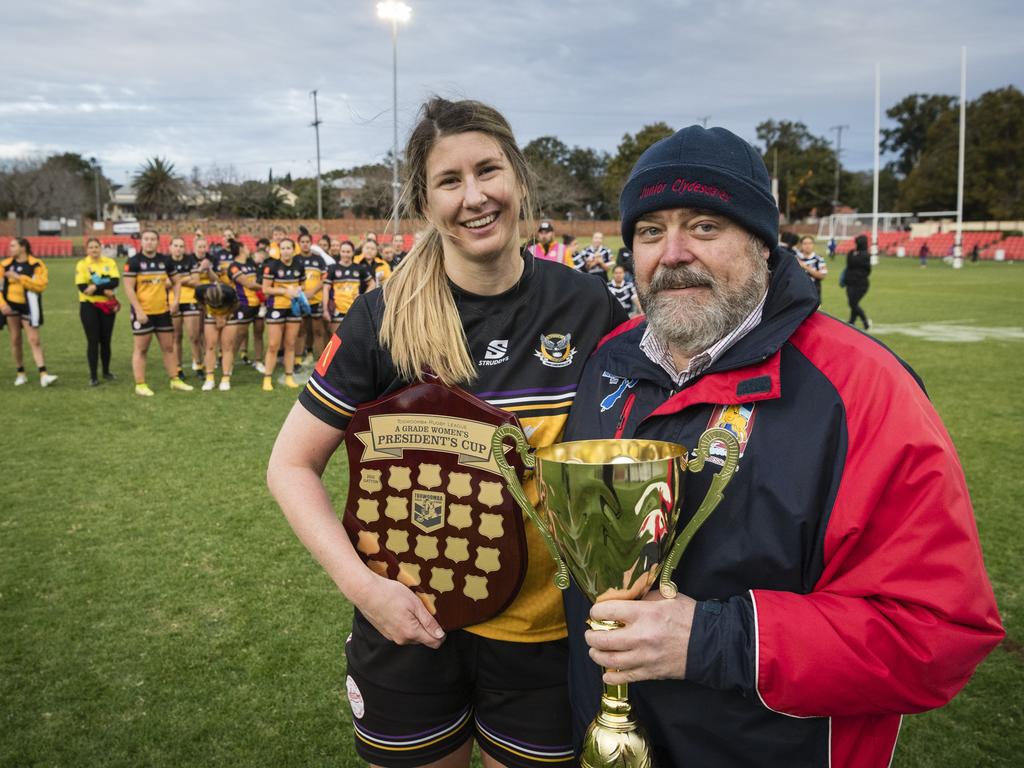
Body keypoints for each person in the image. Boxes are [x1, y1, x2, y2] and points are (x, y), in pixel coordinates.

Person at [560, 125, 1004, 767]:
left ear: (762, 243)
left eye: (706, 226)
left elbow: (937, 633)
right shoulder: (608, 362)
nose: (673, 252)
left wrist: (711, 640)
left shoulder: (863, 390)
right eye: (650, 230)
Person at [267, 96, 627, 768]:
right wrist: (365, 589)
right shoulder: (382, 319)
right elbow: (289, 466)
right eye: (449, 181)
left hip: (542, 635)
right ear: (425, 201)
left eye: (488, 171)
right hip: (409, 629)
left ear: (519, 177)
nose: (474, 197)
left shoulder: (588, 307)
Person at [123, 230, 193, 395]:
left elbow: (177, 282)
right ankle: (140, 384)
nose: (149, 242)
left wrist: (175, 301)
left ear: (157, 242)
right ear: (141, 241)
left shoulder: (165, 261)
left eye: (153, 239)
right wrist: (139, 311)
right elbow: (128, 288)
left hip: (162, 312)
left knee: (168, 348)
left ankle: (175, 380)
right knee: (141, 349)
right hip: (143, 313)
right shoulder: (133, 262)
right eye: (146, 239)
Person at [1, 237, 58, 387]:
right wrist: (2, 305)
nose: (10, 248)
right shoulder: (4, 265)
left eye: (13, 245)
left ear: (23, 247)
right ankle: (20, 373)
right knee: (15, 340)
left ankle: (43, 374)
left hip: (29, 306)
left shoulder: (36, 264)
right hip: (10, 306)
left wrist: (19, 278)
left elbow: (40, 285)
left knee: (34, 340)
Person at [260, 237, 304, 391]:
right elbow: (265, 289)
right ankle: (267, 378)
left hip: (293, 309)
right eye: (283, 248)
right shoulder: (272, 266)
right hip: (276, 308)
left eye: (288, 248)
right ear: (280, 250)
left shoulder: (299, 266)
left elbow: (301, 286)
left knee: (290, 344)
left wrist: (298, 293)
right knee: (273, 345)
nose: (286, 251)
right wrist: (285, 291)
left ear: (293, 250)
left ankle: (289, 376)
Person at [75, 237, 120, 386]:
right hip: (89, 306)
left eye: (96, 247)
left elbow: (115, 282)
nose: (94, 250)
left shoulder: (110, 262)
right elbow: (82, 287)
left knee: (106, 341)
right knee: (93, 341)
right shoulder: (82, 265)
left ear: (101, 248)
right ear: (86, 249)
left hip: (107, 306)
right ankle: (93, 376)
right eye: (91, 247)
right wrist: (104, 290)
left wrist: (95, 287)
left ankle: (106, 372)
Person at [168, 235, 203, 381]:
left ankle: (199, 365)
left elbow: (196, 282)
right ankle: (178, 367)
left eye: (181, 246)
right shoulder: (166, 262)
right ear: (170, 247)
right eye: (175, 245)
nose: (178, 249)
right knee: (176, 337)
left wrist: (176, 281)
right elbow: (164, 284)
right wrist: (185, 279)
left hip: (190, 300)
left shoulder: (190, 260)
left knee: (194, 336)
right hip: (173, 301)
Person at [324, 239, 373, 335]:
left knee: (354, 341)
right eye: (343, 251)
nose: (345, 254)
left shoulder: (359, 268)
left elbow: (372, 283)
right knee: (336, 342)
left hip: (354, 309)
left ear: (353, 253)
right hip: (337, 310)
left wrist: (361, 297)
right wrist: (325, 310)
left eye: (348, 252)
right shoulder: (332, 268)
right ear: (340, 252)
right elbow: (326, 289)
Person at [197, 280, 239, 392]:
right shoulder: (200, 290)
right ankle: (209, 378)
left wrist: (224, 316)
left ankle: (226, 378)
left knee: (227, 346)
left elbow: (236, 305)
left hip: (229, 313)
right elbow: (200, 303)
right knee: (210, 346)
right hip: (211, 314)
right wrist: (214, 315)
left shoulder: (229, 292)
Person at [846, 233, 872, 329]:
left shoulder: (865, 255)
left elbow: (853, 261)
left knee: (853, 303)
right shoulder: (853, 253)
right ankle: (852, 321)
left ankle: (865, 320)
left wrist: (854, 255)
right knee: (853, 303)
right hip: (850, 283)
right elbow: (850, 262)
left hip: (861, 284)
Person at [796, 234, 828, 303]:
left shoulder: (819, 259)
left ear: (813, 245)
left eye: (810, 243)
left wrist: (806, 267)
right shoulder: (795, 258)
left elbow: (822, 276)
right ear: (801, 245)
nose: (807, 246)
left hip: (814, 293)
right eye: (805, 243)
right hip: (798, 294)